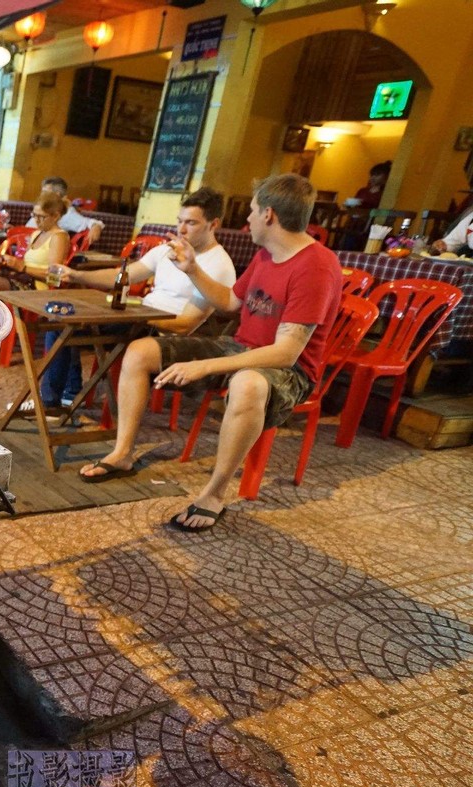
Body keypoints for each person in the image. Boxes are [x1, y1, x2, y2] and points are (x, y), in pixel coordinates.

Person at [77, 174, 341, 532]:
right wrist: (192, 269)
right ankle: (122, 454)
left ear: (268, 215)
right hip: (241, 348)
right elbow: (231, 301)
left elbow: (285, 354)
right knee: (140, 351)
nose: (246, 220)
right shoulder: (268, 255)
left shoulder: (316, 266)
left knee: (248, 383)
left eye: (250, 211)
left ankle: (214, 494)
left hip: (287, 371)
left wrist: (205, 365)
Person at [37, 188, 238, 421]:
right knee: (63, 320)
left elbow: (186, 324)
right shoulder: (167, 250)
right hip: (137, 317)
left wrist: (133, 313)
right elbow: (124, 274)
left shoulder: (219, 265)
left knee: (69, 324)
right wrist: (76, 276)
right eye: (179, 221)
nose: (181, 230)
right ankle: (64, 397)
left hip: (161, 331)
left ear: (214, 225)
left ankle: (53, 404)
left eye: (191, 223)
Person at [0, 191, 71, 294]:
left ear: (56, 216)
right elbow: (25, 263)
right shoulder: (37, 234)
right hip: (22, 278)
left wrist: (23, 268)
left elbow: (54, 278)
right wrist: (12, 262)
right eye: (34, 215)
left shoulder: (59, 237)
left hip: (36, 288)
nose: (37, 220)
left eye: (42, 217)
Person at [27, 176, 103, 246]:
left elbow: (90, 223)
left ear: (57, 194)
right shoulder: (42, 208)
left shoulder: (66, 213)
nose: (42, 195)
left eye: (45, 193)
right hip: (27, 242)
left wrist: (96, 226)